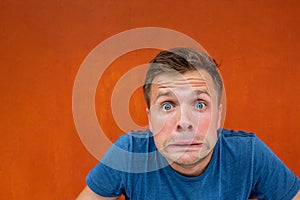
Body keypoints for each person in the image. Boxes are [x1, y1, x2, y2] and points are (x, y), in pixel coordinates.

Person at [77, 48, 300, 199]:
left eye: (200, 104)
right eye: (167, 105)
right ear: (150, 120)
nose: (184, 122)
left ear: (219, 116)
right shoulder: (129, 153)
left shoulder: (249, 154)